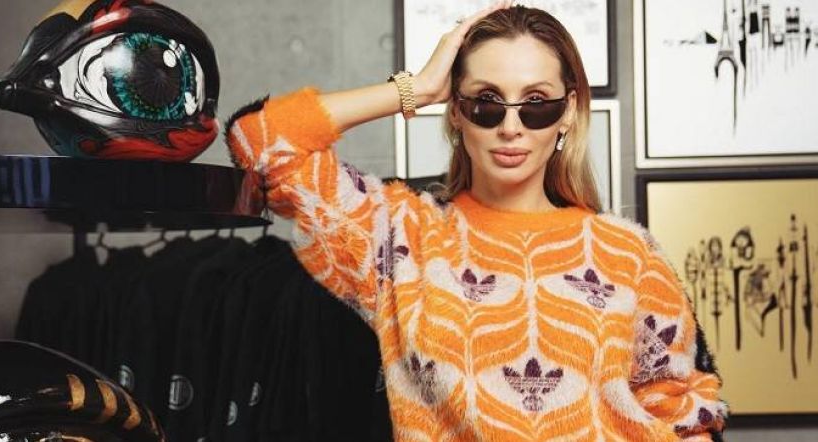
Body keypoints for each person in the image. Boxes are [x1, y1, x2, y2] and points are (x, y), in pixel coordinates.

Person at [225, 1, 727, 440]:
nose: (511, 126)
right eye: (486, 102)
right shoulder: (399, 237)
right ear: (456, 111)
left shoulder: (629, 252)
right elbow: (261, 141)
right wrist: (417, 89)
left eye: (536, 103)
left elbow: (684, 411)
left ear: (568, 112)